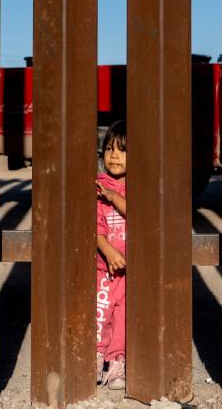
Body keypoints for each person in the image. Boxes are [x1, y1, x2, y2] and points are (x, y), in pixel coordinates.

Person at [96, 119, 128, 390]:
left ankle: (116, 363)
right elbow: (94, 226)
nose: (114, 155)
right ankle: (95, 358)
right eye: (109, 148)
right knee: (101, 311)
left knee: (123, 317)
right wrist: (107, 251)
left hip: (131, 269)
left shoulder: (138, 187)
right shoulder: (98, 185)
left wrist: (113, 197)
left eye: (121, 149)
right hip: (104, 266)